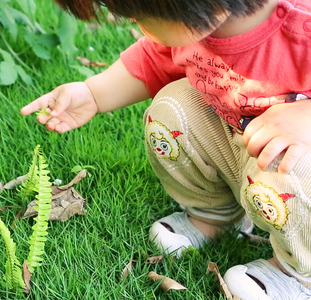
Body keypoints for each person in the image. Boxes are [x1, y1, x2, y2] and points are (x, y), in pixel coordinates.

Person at [21, 0, 311, 298]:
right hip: (239, 150)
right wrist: (92, 94)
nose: (133, 18)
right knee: (173, 108)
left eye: (140, 14)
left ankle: (301, 275)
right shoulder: (199, 30)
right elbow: (150, 59)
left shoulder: (302, 26)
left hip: (293, 171)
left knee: (291, 161)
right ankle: (217, 214)